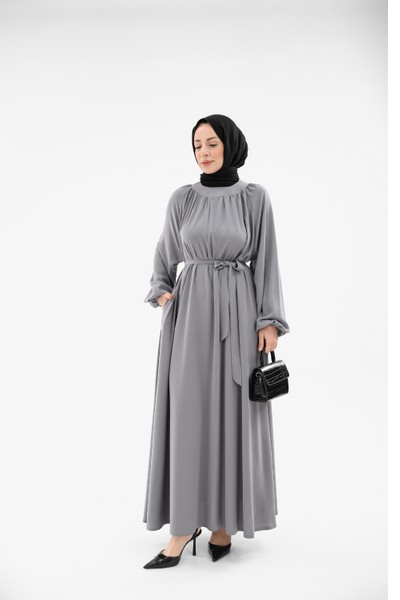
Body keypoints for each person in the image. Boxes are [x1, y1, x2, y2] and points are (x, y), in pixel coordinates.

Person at [142, 114, 290, 569]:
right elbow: (166, 253)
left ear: (230, 145)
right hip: (189, 317)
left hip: (239, 313)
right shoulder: (182, 198)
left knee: (233, 411)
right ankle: (182, 527)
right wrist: (162, 291)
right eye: (196, 146)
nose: (203, 152)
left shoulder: (254, 197)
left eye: (211, 143)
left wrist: (269, 319)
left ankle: (224, 523)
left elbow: (267, 258)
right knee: (188, 412)